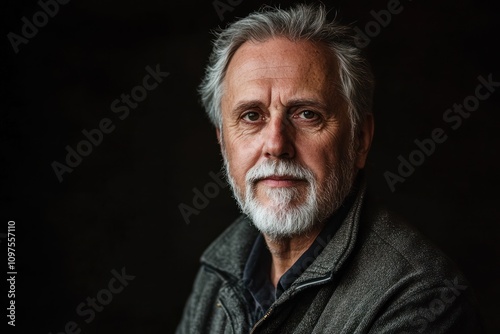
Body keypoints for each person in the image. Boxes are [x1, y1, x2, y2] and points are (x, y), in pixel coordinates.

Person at [177, 4, 483, 333]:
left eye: (307, 114)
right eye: (252, 116)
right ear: (223, 142)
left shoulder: (421, 299)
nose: (277, 145)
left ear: (359, 140)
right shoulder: (218, 270)